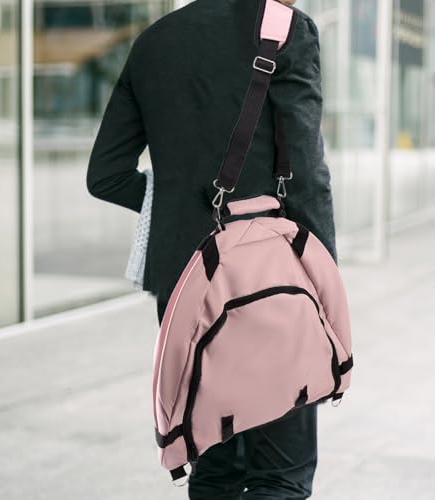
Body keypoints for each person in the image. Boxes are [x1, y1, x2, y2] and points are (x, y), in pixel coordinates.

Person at [86, 0, 337, 497]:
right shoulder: (286, 29)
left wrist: (183, 207)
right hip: (269, 281)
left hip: (186, 281)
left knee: (216, 466)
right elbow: (306, 176)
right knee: (280, 474)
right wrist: (323, 283)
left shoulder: (154, 41)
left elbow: (106, 176)